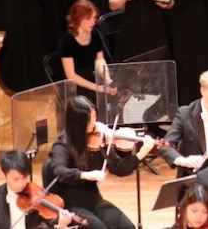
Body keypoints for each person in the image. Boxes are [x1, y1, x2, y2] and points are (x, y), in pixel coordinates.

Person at [46, 95, 152, 229]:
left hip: (93, 200)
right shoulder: (63, 143)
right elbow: (59, 171)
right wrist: (86, 175)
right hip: (71, 204)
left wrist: (141, 153)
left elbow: (120, 169)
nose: (94, 123)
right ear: (77, 122)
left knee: (126, 226)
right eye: (89, 120)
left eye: (95, 117)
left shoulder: (100, 138)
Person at [0, 150, 75, 229]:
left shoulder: (37, 196)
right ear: (4, 175)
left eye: (24, 177)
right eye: (16, 179)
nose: (21, 184)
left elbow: (50, 225)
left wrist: (61, 225)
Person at [162, 68, 208, 177]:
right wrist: (182, 160)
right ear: (202, 90)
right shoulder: (184, 113)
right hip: (193, 173)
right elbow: (165, 145)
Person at [59, 0, 111, 99]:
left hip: (91, 77)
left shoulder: (95, 34)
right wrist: (97, 88)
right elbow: (71, 76)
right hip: (75, 85)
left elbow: (100, 61)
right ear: (78, 19)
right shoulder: (67, 40)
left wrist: (107, 80)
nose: (93, 22)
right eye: (88, 19)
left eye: (94, 18)